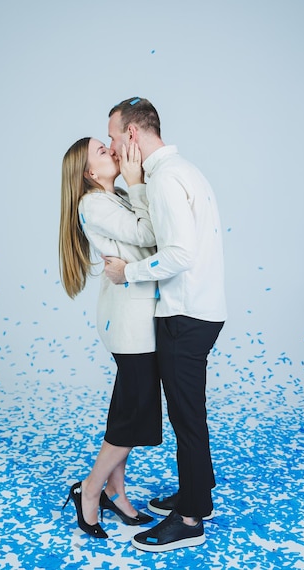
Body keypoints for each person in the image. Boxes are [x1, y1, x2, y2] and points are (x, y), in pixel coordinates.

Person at [104, 97, 227, 552]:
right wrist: (138, 186)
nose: (113, 148)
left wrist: (126, 273)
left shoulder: (165, 179)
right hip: (201, 309)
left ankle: (191, 518)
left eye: (115, 137)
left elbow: (177, 254)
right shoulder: (181, 170)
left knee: (186, 417)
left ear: (133, 134)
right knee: (188, 413)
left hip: (184, 312)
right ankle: (199, 494)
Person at [59, 136, 162, 539]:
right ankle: (90, 488)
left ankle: (115, 491)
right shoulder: (93, 203)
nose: (112, 151)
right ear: (89, 173)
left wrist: (133, 188)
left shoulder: (114, 196)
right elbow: (149, 232)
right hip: (128, 322)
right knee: (134, 414)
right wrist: (138, 182)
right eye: (102, 152)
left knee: (126, 410)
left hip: (138, 317)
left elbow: (149, 243)